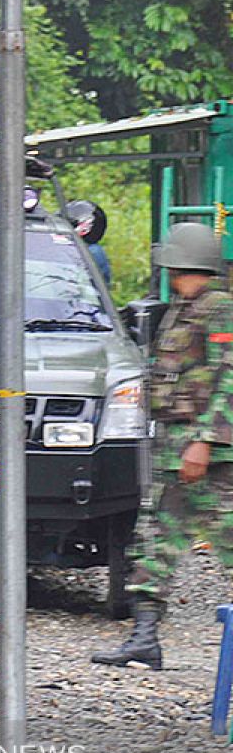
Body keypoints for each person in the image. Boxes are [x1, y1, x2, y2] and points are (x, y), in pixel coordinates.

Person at [92, 222, 233, 671]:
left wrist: (205, 442)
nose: (170, 276)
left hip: (208, 455)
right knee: (153, 542)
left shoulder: (220, 310)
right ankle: (144, 638)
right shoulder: (183, 308)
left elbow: (229, 379)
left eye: (175, 267)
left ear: (194, 264)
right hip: (173, 446)